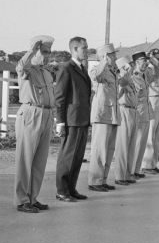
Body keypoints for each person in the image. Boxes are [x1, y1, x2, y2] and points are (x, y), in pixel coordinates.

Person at [14, 35, 56, 213]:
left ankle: (33, 197)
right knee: (25, 158)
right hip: (31, 113)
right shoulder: (28, 69)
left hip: (46, 114)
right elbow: (21, 67)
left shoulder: (46, 72)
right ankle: (22, 199)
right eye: (44, 52)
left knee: (40, 159)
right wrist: (31, 50)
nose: (47, 56)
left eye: (49, 52)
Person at [54, 36, 92, 202]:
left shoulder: (82, 68)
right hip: (71, 119)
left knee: (77, 157)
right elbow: (60, 97)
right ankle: (62, 191)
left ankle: (71, 188)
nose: (87, 50)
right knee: (67, 156)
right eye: (84, 48)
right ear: (74, 49)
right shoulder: (66, 68)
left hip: (82, 118)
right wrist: (60, 121)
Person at [88, 43, 120, 191]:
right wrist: (103, 62)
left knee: (109, 149)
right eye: (113, 54)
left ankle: (103, 179)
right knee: (99, 149)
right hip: (101, 114)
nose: (116, 56)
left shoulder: (113, 71)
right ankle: (95, 181)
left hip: (112, 114)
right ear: (106, 56)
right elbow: (95, 76)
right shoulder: (98, 69)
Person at [130, 50, 159, 178]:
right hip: (139, 111)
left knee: (142, 143)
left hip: (147, 111)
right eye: (143, 61)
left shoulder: (145, 74)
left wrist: (155, 63)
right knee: (136, 143)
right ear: (137, 62)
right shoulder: (134, 75)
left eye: (146, 61)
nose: (146, 63)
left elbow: (156, 75)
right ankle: (132, 170)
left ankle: (138, 170)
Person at [142, 48, 159, 175]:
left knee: (158, 136)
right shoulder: (148, 68)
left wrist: (158, 64)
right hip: (152, 100)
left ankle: (154, 163)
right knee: (151, 134)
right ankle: (146, 164)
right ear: (152, 57)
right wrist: (152, 63)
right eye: (158, 58)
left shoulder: (158, 68)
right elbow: (151, 79)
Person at [114, 56, 138, 185]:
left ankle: (128, 173)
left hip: (133, 110)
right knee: (123, 145)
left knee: (131, 145)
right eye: (130, 65)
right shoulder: (121, 80)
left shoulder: (131, 80)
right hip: (124, 110)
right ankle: (120, 176)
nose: (132, 66)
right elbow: (118, 93)